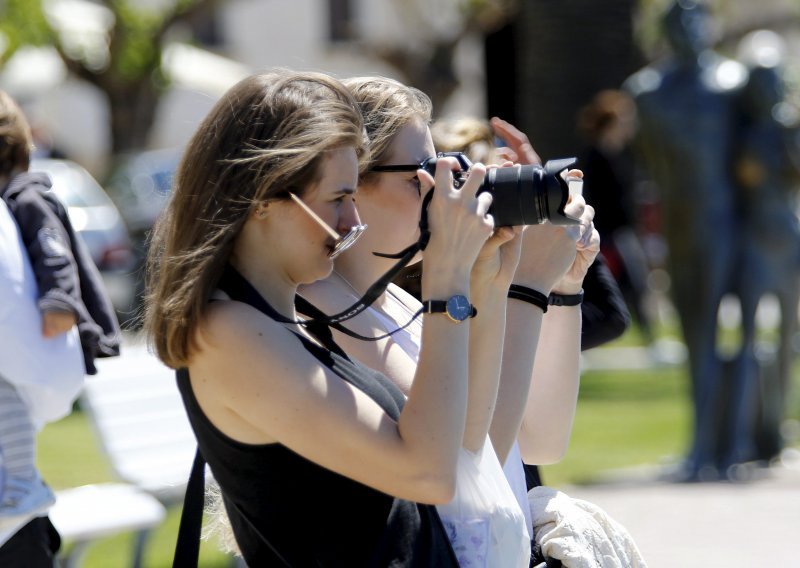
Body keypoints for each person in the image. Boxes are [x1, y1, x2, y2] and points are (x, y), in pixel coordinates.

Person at [144, 69, 514, 566]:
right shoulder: (228, 334)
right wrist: (445, 281)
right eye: (337, 199)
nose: (352, 221)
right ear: (261, 198)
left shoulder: (270, 322)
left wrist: (483, 286)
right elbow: (428, 472)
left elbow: (458, 441)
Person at [299, 78, 599, 567]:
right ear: (351, 183)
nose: (449, 185)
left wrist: (555, 286)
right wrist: (524, 287)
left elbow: (539, 440)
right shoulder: (328, 311)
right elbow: (473, 468)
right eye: (424, 170)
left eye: (449, 166)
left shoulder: (391, 300)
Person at [623, 0, 748, 480]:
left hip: (726, 221)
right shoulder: (648, 91)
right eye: (680, 22)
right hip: (679, 220)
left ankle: (729, 444)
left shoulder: (732, 85)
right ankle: (702, 444)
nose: (690, 30)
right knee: (695, 333)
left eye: (697, 20)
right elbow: (650, 162)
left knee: (728, 331)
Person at [0, 89, 108, 542]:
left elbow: (54, 254)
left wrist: (60, 304)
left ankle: (22, 484)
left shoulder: (25, 199)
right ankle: (22, 483)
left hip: (44, 350)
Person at [575, 90, 652, 345]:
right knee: (612, 286)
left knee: (634, 284)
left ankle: (650, 340)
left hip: (623, 232)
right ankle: (576, 337)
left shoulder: (622, 155)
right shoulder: (595, 156)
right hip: (605, 233)